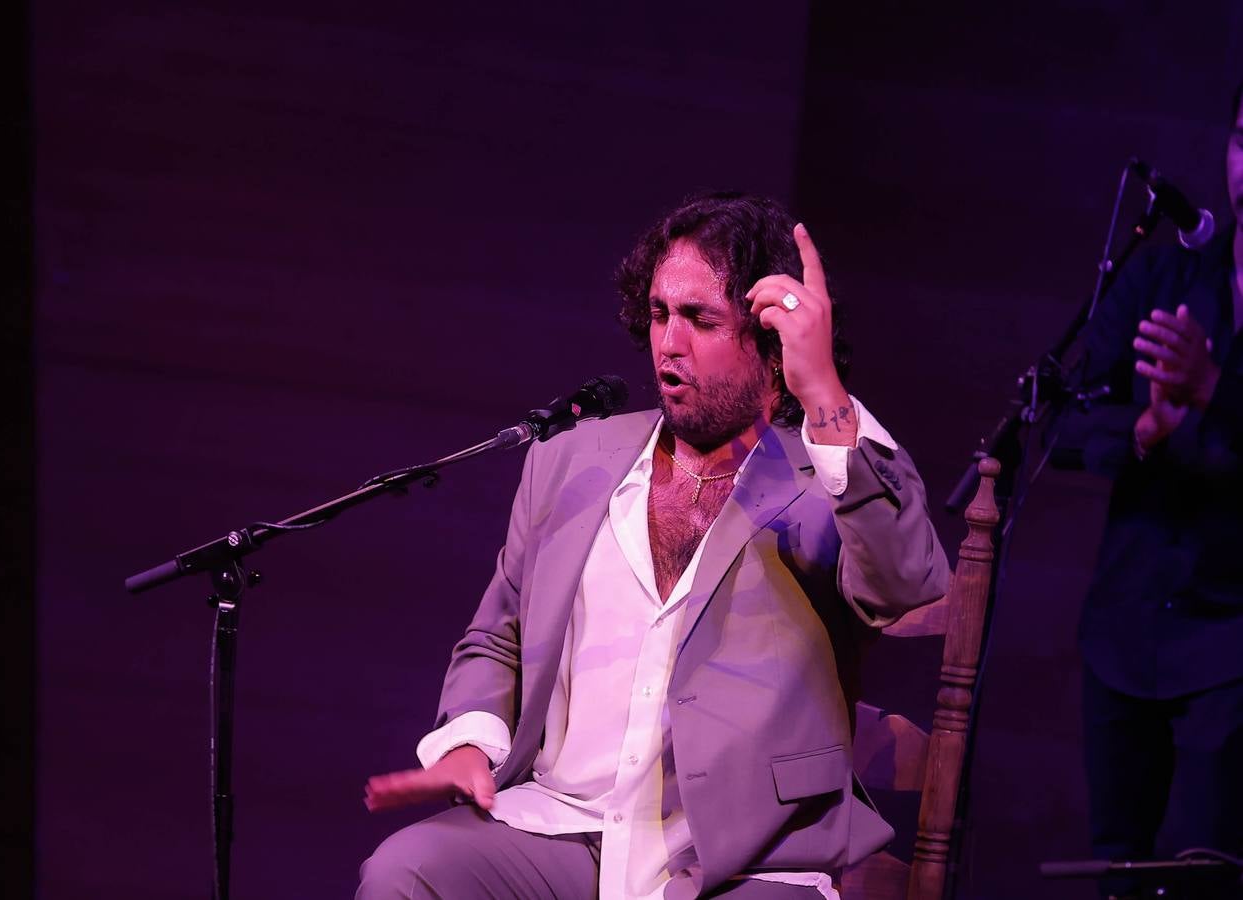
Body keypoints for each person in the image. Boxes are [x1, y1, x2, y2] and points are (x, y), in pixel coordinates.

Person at [358, 193, 950, 899]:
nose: (669, 341)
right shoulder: (570, 460)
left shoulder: (825, 474)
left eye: (700, 320)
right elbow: (498, 633)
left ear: (770, 344)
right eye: (660, 313)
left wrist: (823, 388)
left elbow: (908, 583)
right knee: (407, 873)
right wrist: (468, 743)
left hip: (747, 859)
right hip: (566, 829)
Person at [1060, 84, 1243, 899]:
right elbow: (1061, 418)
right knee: (1117, 867)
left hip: (1232, 637)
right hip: (1127, 625)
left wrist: (1215, 389)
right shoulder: (1165, 273)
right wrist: (1145, 431)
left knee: (1208, 871)